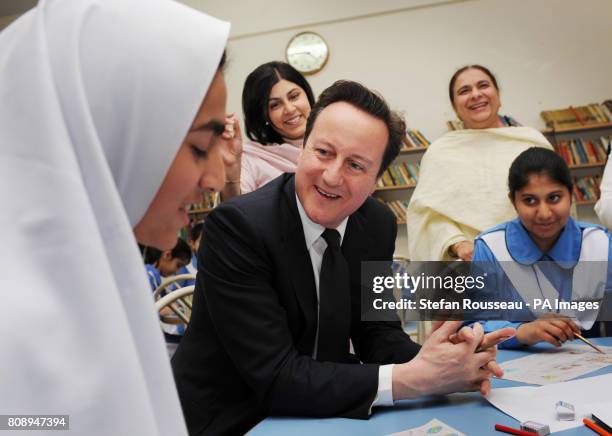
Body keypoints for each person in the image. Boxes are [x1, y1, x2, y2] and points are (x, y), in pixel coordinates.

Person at [172, 80, 513, 435]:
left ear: (377, 179)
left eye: (355, 165)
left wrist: (444, 362)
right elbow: (274, 374)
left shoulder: (376, 224)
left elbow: (376, 332)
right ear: (303, 148)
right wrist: (412, 378)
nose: (332, 176)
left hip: (323, 408)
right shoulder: (239, 227)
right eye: (323, 152)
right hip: (235, 417)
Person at [0, 1, 230, 435]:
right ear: (111, 135)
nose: (216, 177)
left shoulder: (99, 277)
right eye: (200, 146)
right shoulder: (16, 323)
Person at [407, 65, 553, 261]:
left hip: (534, 259)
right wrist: (458, 244)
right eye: (464, 91)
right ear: (454, 106)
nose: (476, 94)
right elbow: (426, 216)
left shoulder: (532, 142)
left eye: (483, 85)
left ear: (498, 95)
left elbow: (557, 200)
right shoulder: (440, 153)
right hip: (468, 270)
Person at [471, 147, 612, 348]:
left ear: (571, 195)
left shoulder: (600, 243)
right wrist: (522, 332)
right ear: (513, 200)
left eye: (554, 198)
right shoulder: (491, 248)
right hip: (512, 369)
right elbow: (470, 327)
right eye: (530, 200)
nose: (544, 213)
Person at [220, 61, 316, 199]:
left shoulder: (334, 140)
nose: (289, 109)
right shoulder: (251, 157)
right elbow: (235, 210)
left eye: (294, 96)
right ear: (262, 114)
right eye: (275, 105)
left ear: (307, 95)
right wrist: (231, 169)